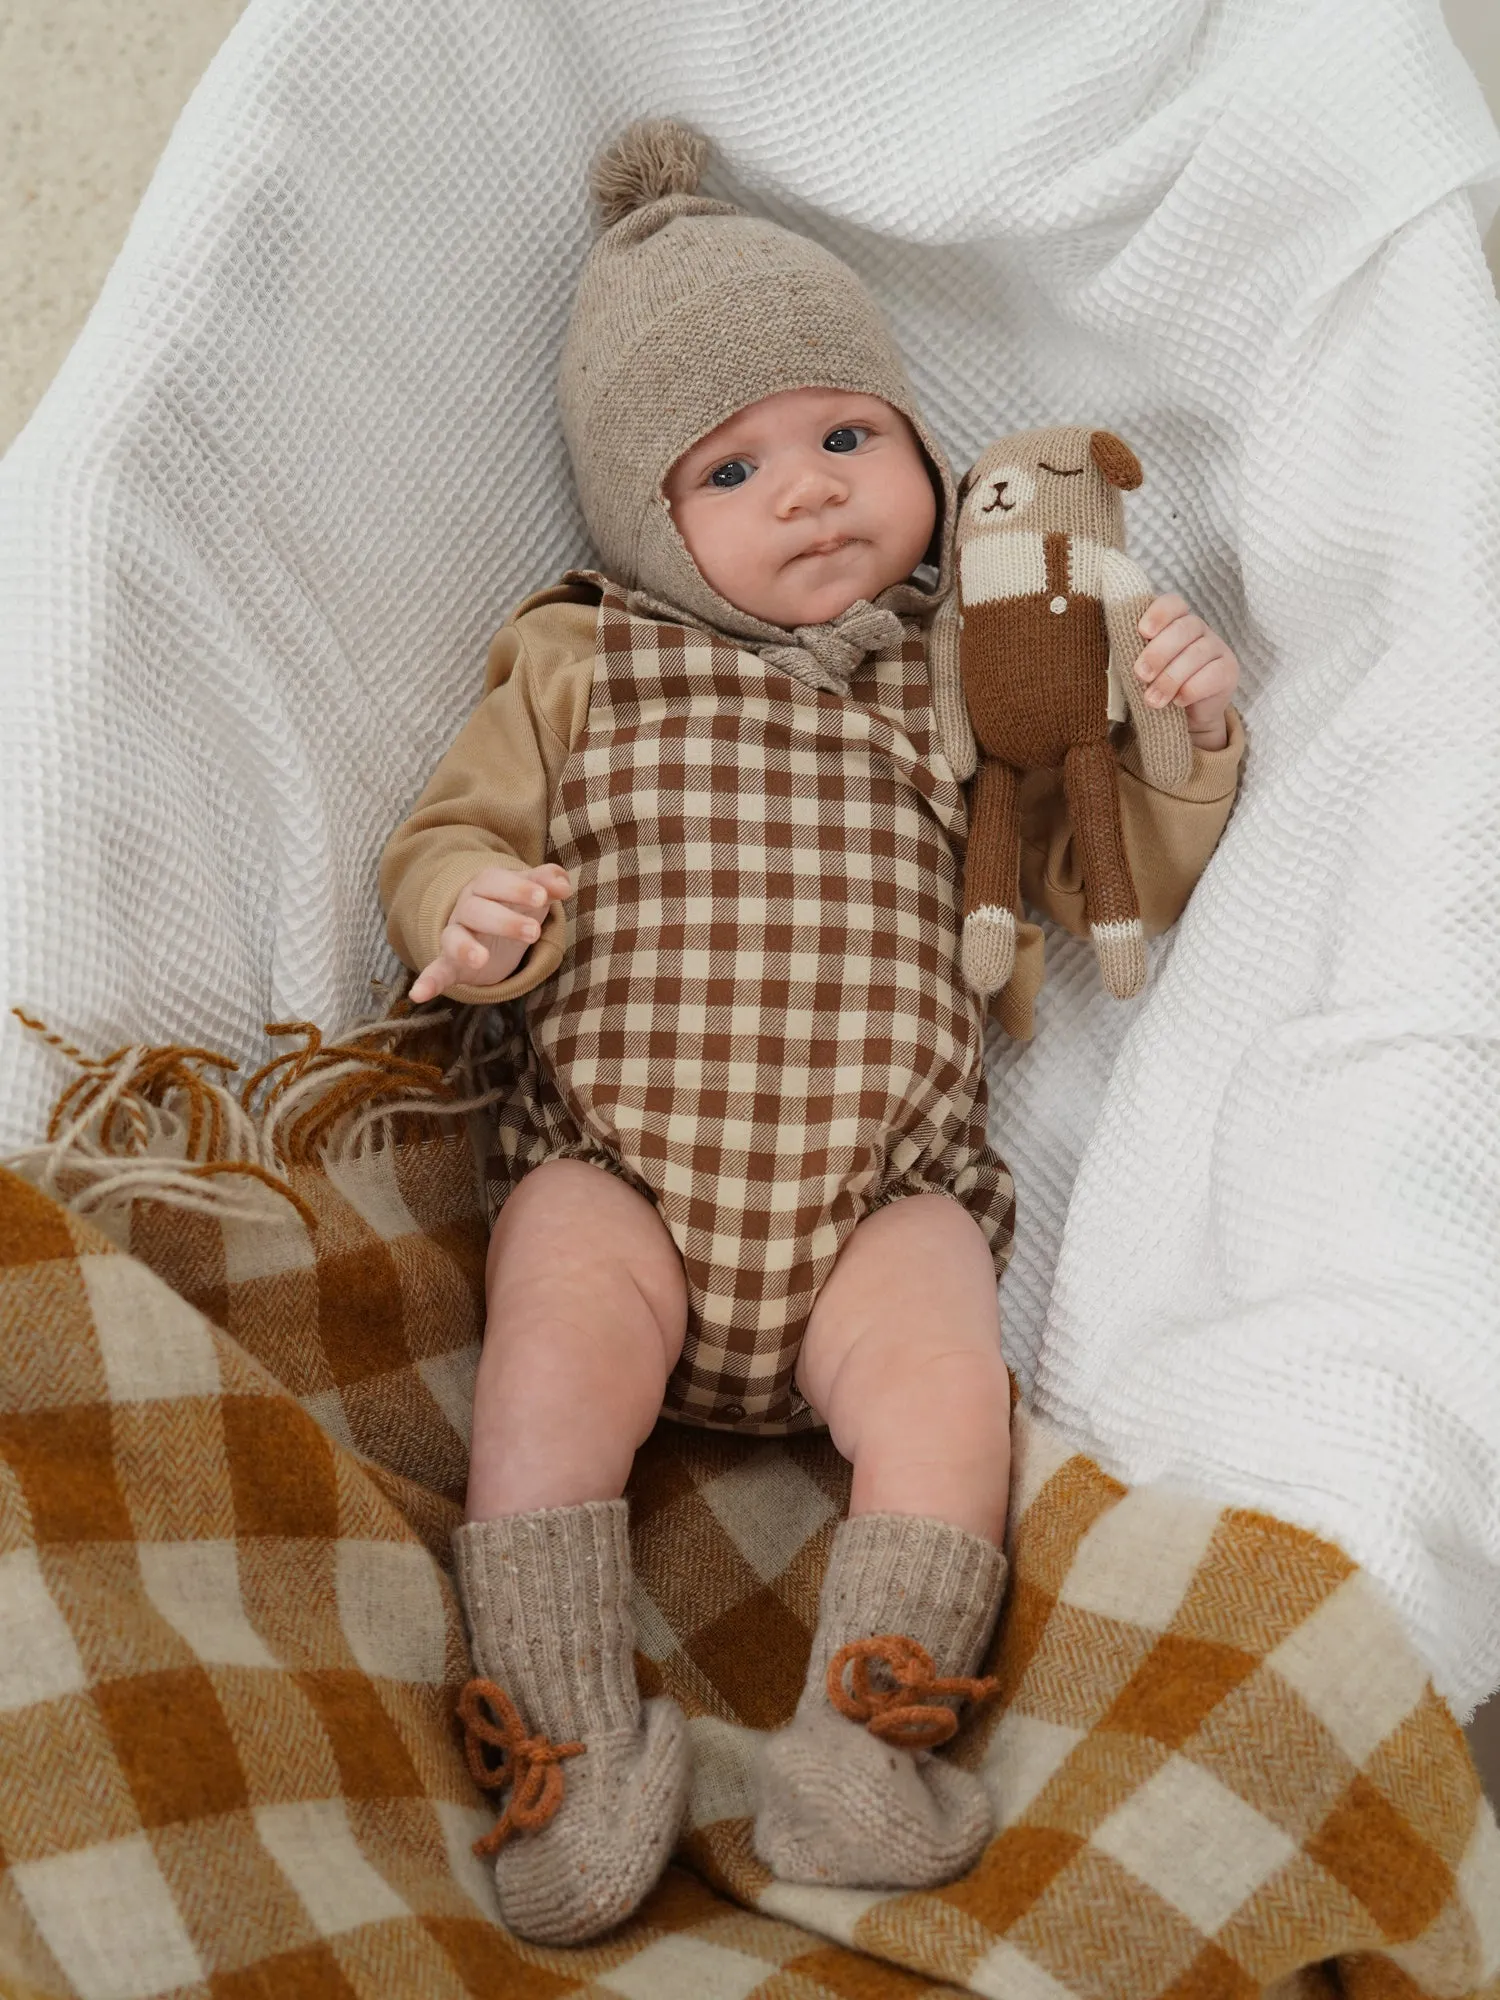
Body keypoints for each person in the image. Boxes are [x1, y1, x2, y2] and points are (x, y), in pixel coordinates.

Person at [379, 120, 1243, 1947]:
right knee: (542, 1371)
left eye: (850, 437)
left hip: (875, 1199)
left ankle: (866, 1725)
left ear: (920, 453)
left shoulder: (961, 671)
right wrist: (462, 905)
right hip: (624, 1174)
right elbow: (451, 831)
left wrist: (1185, 727)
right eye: (734, 466)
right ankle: (563, 1735)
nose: (812, 492)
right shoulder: (585, 656)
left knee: (950, 1388)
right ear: (645, 517)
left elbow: (1114, 872)